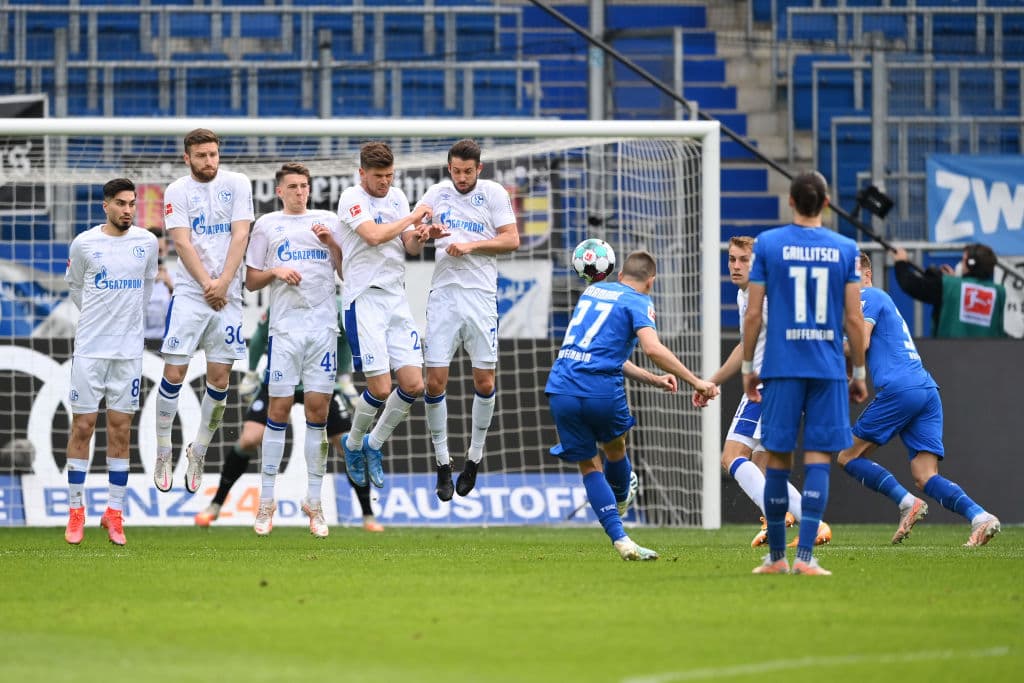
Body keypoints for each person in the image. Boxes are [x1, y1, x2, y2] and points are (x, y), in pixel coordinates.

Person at [546, 250, 719, 561]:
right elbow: (652, 348)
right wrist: (696, 381)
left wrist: (653, 379)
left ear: (621, 274)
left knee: (589, 466)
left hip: (561, 387)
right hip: (600, 389)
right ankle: (622, 496)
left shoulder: (591, 292)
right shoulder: (639, 301)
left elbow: (603, 353)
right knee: (615, 447)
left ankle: (621, 538)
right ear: (651, 282)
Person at [742, 171, 868, 576]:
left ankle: (777, 557)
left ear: (791, 201)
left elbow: (754, 314)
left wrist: (747, 367)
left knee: (778, 459)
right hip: (827, 369)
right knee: (818, 459)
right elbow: (854, 318)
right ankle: (807, 558)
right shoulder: (846, 249)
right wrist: (859, 371)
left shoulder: (769, 244)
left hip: (781, 366)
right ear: (827, 204)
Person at [837, 251, 1001, 546]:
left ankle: (906, 502)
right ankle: (980, 516)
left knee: (847, 456)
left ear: (867, 274)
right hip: (925, 388)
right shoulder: (873, 301)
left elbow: (861, 342)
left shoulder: (868, 295)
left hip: (901, 388)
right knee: (925, 475)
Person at [693, 236, 831, 549]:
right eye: (732, 259)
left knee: (731, 457)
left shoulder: (766, 298)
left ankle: (809, 521)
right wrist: (712, 382)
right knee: (760, 467)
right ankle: (779, 520)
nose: (736, 266)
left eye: (744, 260)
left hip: (770, 387)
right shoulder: (746, 295)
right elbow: (746, 345)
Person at [194, 307, 384, 533]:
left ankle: (368, 514)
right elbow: (260, 336)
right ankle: (216, 504)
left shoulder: (333, 304)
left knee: (346, 444)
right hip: (280, 378)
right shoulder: (282, 297)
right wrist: (252, 372)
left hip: (320, 381)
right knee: (249, 439)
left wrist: (344, 378)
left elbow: (343, 341)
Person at [241, 162, 346, 536]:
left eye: (304, 186)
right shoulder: (267, 225)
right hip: (285, 330)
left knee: (318, 412)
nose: (300, 191)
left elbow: (347, 273)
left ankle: (314, 503)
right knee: (278, 409)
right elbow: (251, 281)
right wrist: (276, 271)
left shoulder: (328, 221)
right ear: (279, 191)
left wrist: (332, 244)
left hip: (323, 331)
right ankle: (266, 501)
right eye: (293, 186)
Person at [415, 139, 519, 501]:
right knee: (434, 383)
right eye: (456, 171)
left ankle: (474, 457)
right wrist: (424, 234)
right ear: (449, 168)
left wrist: (471, 245)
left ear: (479, 169)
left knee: (485, 382)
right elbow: (414, 235)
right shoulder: (436, 194)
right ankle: (443, 462)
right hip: (443, 297)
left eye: (468, 172)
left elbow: (512, 239)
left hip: (480, 297)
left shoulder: (493, 193)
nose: (462, 177)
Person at [153, 128, 254, 495]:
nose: (209, 161)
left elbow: (240, 234)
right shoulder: (177, 190)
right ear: (187, 158)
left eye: (213, 154)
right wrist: (209, 285)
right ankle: (164, 449)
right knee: (174, 372)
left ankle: (198, 451)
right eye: (201, 156)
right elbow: (181, 242)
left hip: (228, 293)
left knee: (220, 380)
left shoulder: (238, 183)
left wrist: (223, 283)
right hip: (190, 294)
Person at [335, 142, 436, 491]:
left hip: (396, 298)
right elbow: (374, 236)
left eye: (390, 175)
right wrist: (412, 218)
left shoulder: (397, 197)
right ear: (362, 173)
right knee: (380, 388)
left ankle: (372, 444)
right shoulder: (351, 198)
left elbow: (409, 246)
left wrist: (421, 236)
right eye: (378, 176)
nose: (385, 182)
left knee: (414, 385)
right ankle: (352, 444)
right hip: (364, 300)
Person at [63, 178, 159, 545]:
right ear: (106, 206)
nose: (128, 210)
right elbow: (75, 286)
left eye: (132, 203)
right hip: (90, 350)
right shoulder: (85, 243)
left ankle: (114, 513)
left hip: (128, 353)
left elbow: (147, 286)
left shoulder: (146, 243)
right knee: (83, 427)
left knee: (120, 430)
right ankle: (76, 511)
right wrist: (96, 317)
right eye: (121, 203)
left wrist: (127, 324)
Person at [893, 243, 1007, 338]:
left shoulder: (948, 285)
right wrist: (954, 281)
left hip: (949, 354)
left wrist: (901, 263)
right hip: (989, 354)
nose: (960, 264)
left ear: (971, 264)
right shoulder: (999, 292)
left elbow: (910, 284)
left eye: (963, 260)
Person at [143, 227, 174, 341]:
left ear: (167, 249)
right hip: (142, 342)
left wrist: (171, 288)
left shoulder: (176, 277)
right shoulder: (135, 277)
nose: (157, 256)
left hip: (167, 341)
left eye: (160, 251)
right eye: (153, 252)